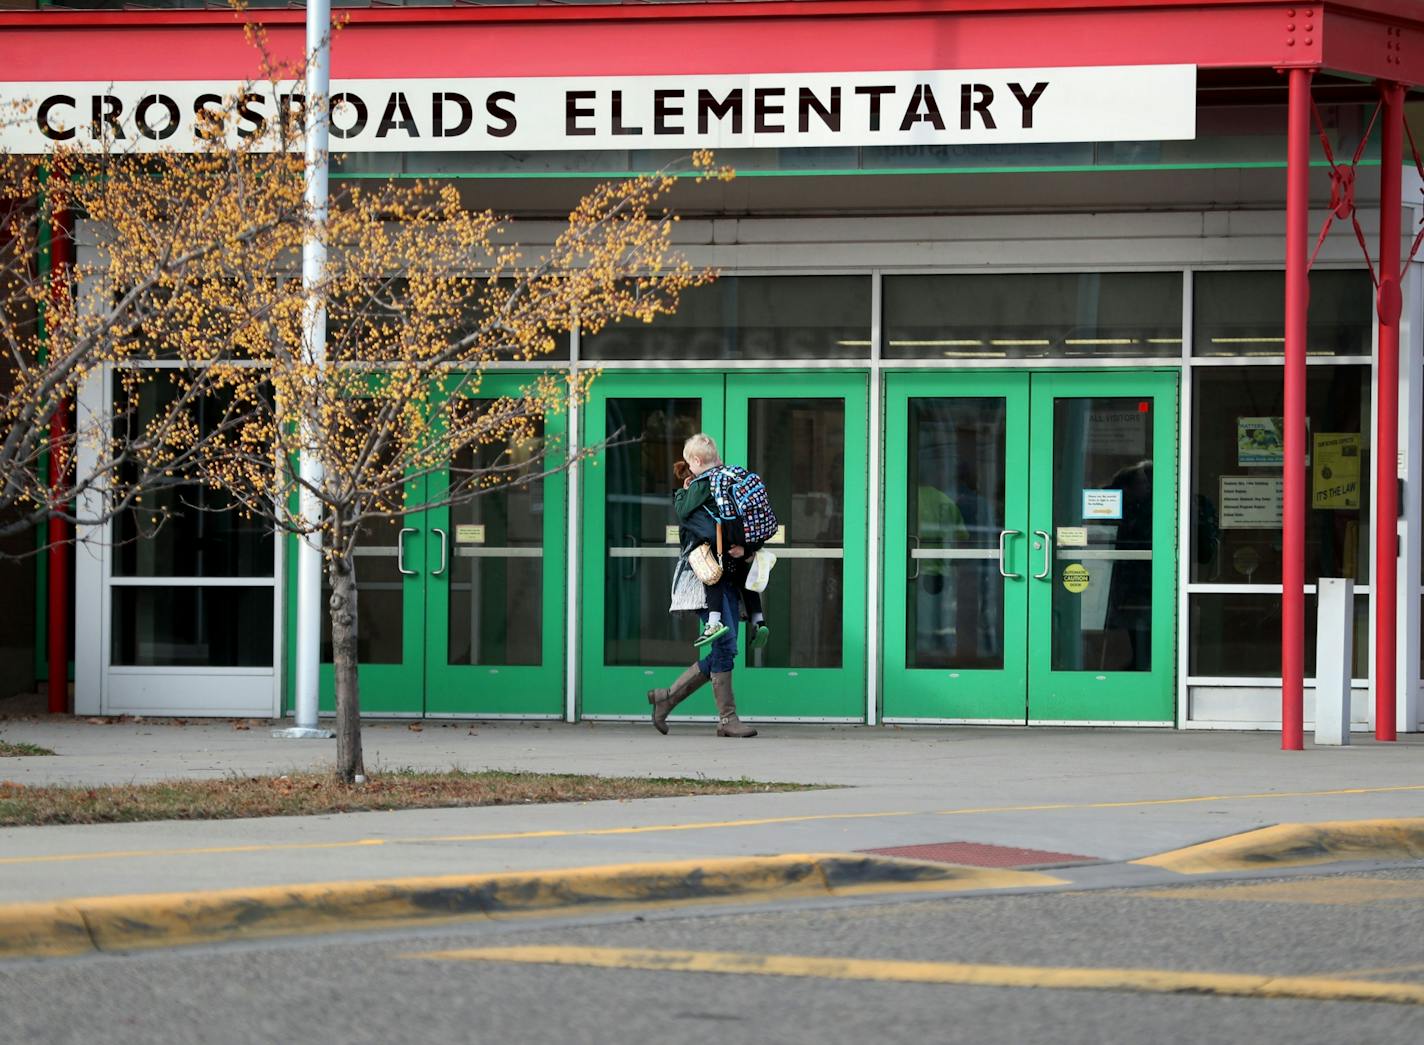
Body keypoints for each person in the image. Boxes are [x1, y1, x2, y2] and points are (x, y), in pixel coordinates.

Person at [647, 433, 758, 739]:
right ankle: (727, 719)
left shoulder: (715, 488)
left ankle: (667, 697)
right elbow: (710, 531)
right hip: (704, 578)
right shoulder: (696, 492)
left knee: (727, 645)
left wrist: (745, 547)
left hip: (725, 577)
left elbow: (735, 527)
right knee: (725, 644)